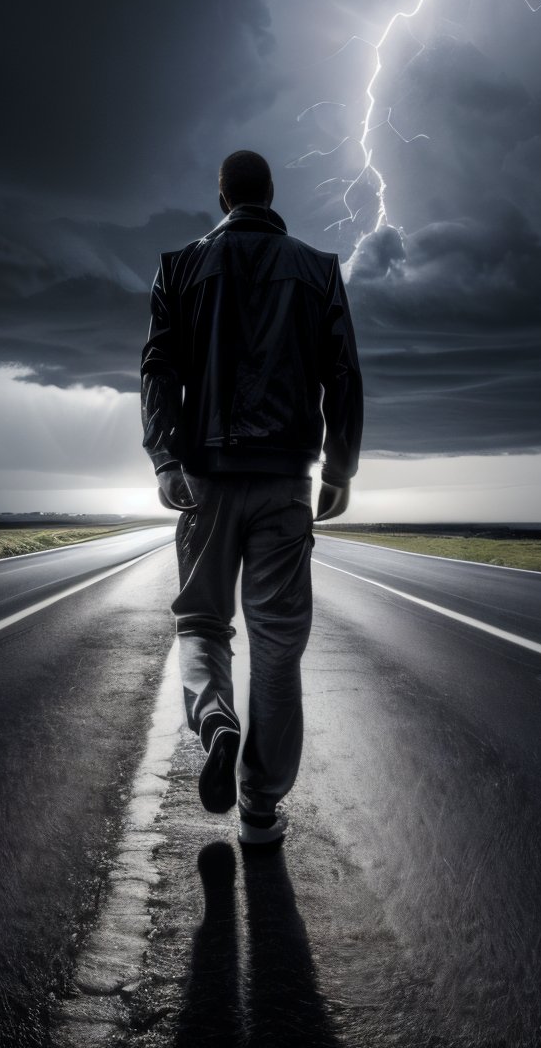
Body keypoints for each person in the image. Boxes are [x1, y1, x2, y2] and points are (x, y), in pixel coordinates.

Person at [140, 149, 364, 845]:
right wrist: (339, 470)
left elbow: (159, 368)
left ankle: (215, 721)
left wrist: (165, 457)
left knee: (202, 623)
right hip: (284, 483)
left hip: (205, 477)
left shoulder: (179, 266)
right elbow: (344, 376)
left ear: (222, 197)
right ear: (270, 193)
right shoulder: (318, 268)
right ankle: (261, 807)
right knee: (276, 645)